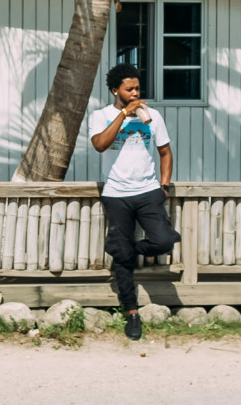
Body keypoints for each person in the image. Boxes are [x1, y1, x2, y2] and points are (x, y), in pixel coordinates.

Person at [89, 62, 179, 341]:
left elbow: (165, 152)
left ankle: (126, 249)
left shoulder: (153, 116)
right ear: (115, 90)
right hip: (116, 194)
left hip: (148, 191)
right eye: (129, 89)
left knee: (164, 240)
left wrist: (163, 187)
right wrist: (124, 115)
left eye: (137, 88)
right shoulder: (100, 115)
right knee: (123, 260)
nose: (135, 93)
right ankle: (131, 312)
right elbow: (100, 144)